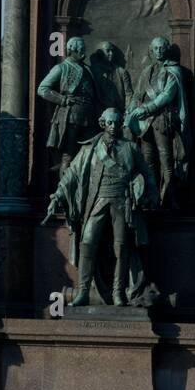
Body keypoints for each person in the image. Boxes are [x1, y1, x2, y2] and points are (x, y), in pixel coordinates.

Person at [43, 108, 157, 307]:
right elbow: (71, 174)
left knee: (121, 247)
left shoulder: (130, 148)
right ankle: (83, 292)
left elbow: (147, 173)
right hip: (97, 201)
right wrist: (57, 195)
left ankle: (118, 293)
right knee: (87, 242)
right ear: (102, 123)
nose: (113, 127)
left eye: (117, 122)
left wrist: (150, 193)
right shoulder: (90, 149)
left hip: (122, 202)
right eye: (109, 123)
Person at [126, 37, 190, 207]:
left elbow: (166, 96)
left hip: (163, 120)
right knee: (148, 161)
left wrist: (145, 109)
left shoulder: (173, 71)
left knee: (166, 160)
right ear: (151, 50)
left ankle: (169, 198)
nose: (159, 51)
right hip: (145, 124)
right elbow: (138, 94)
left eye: (162, 47)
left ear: (167, 49)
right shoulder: (146, 71)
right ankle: (151, 197)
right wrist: (131, 110)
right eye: (156, 48)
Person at [37, 38, 101, 175]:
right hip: (71, 117)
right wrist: (62, 99)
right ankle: (64, 193)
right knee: (68, 156)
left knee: (90, 153)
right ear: (72, 50)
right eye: (80, 49)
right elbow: (42, 89)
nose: (83, 52)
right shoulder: (61, 68)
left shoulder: (87, 69)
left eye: (84, 48)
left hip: (89, 117)